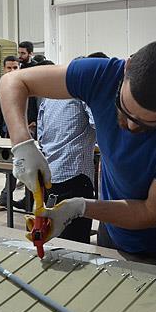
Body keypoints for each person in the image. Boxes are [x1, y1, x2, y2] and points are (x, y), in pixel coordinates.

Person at [0, 41, 156, 264]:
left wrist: (80, 207)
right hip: (110, 230)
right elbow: (13, 81)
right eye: (126, 109)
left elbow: (150, 213)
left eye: (148, 124)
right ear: (127, 68)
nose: (131, 126)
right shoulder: (103, 76)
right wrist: (22, 144)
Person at [34, 57, 97, 244]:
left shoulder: (50, 98)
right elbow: (98, 125)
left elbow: (41, 136)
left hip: (51, 174)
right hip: (76, 176)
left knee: (56, 233)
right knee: (77, 241)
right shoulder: (83, 95)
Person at [0, 56, 38, 207]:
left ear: (19, 68)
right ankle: (7, 197)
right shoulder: (3, 88)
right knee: (12, 167)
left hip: (26, 135)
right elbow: (2, 112)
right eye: (9, 68)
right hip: (8, 135)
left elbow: (36, 109)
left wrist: (34, 123)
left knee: (29, 167)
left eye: (15, 67)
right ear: (4, 69)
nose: (12, 71)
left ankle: (28, 200)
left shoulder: (27, 87)